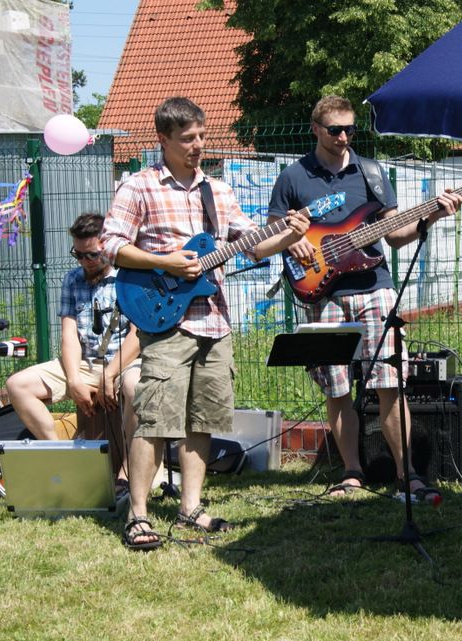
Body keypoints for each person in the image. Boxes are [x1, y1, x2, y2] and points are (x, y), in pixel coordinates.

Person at [101, 97, 308, 550]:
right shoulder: (138, 186)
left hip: (215, 320)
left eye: (201, 136)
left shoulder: (218, 190)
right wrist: (166, 262)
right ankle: (137, 515)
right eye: (188, 139)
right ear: (164, 139)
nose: (198, 145)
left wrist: (288, 235)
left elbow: (252, 245)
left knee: (202, 420)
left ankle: (191, 507)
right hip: (166, 320)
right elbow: (111, 246)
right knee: (154, 420)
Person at [268, 95, 462, 499]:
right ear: (315, 129)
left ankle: (406, 473)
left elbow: (394, 234)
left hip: (374, 287)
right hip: (321, 293)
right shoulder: (293, 177)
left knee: (389, 383)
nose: (343, 137)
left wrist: (432, 215)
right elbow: (272, 234)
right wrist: (293, 243)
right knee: (336, 388)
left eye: (350, 130)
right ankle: (352, 472)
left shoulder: (371, 173)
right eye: (335, 129)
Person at [6, 213, 140, 496]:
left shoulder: (129, 278)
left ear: (108, 247)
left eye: (91, 255)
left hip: (124, 363)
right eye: (77, 254)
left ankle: (126, 477)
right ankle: (61, 456)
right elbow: (69, 335)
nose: (83, 261)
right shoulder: (72, 279)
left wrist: (111, 374)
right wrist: (74, 379)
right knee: (17, 385)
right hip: (83, 362)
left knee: (136, 386)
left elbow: (136, 335)